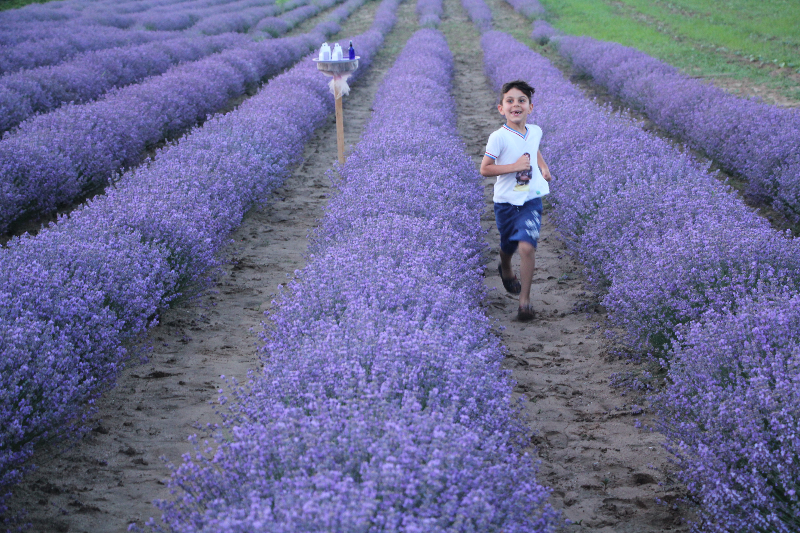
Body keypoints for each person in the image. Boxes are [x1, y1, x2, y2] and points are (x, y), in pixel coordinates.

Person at [480, 80, 551, 321]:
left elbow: (534, 147)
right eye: (510, 101)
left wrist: (542, 166)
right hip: (505, 202)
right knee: (508, 245)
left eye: (522, 100)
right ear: (501, 108)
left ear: (530, 107)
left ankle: (525, 302)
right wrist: (514, 167)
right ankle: (506, 266)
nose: (516, 105)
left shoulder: (536, 131)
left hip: (530, 199)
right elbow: (485, 169)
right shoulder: (498, 137)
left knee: (527, 246)